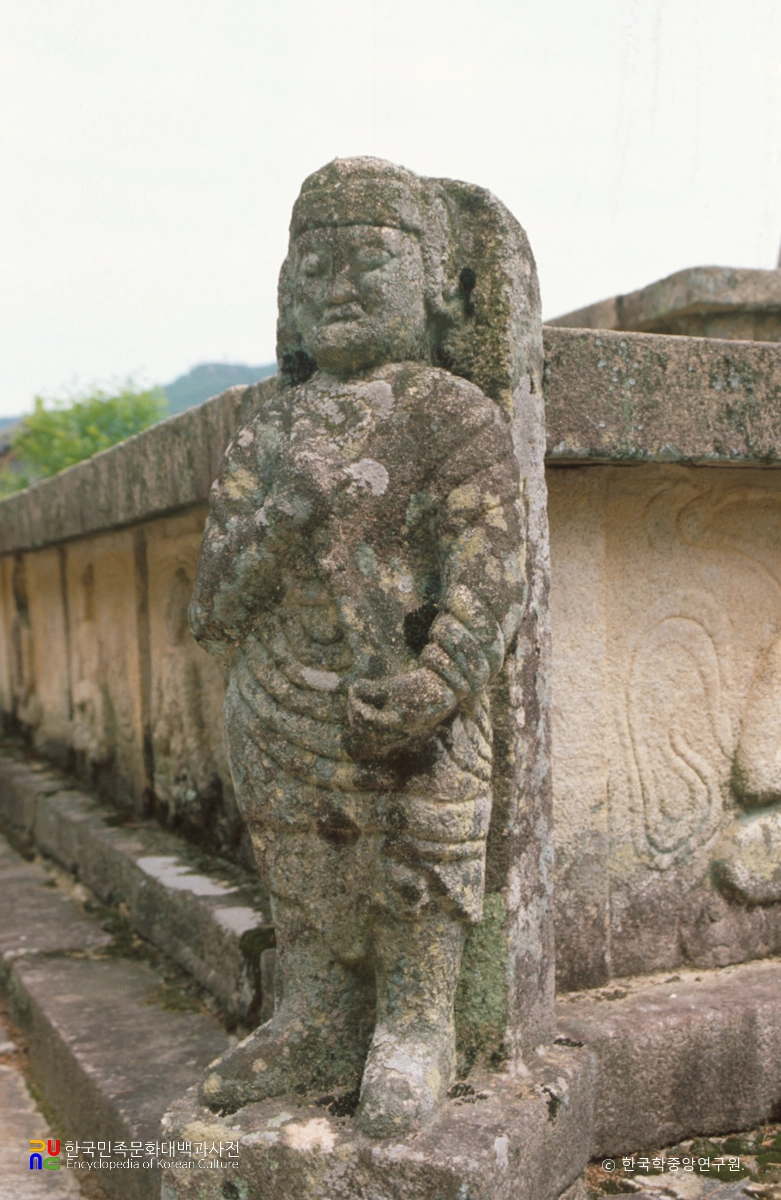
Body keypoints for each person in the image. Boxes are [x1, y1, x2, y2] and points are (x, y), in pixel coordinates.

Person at [189, 157, 527, 1137]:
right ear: (287, 298)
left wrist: (440, 676)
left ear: (433, 286)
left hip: (410, 704)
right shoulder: (271, 430)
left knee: (426, 820)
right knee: (298, 860)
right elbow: (213, 604)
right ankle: (319, 1013)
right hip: (283, 704)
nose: (337, 283)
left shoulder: (448, 414)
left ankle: (419, 1019)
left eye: (369, 259)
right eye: (314, 265)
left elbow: (492, 565)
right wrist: (283, 513)